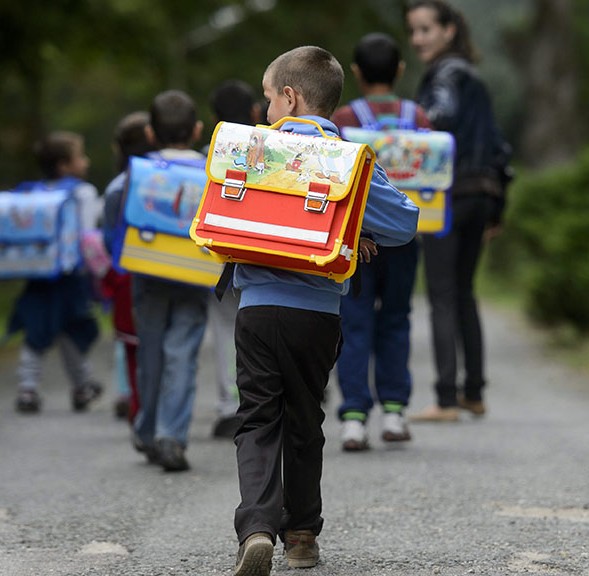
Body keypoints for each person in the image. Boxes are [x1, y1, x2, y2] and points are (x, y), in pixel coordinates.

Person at [231, 46, 419, 576]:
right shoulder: (351, 160)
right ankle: (301, 536)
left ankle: (257, 527)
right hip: (318, 313)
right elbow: (404, 224)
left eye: (269, 99)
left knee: (256, 419)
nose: (266, 111)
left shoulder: (255, 149)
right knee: (304, 420)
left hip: (257, 309)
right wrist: (354, 222)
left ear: (288, 97)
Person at [406, 0, 513, 422]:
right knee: (465, 292)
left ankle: (446, 399)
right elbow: (502, 151)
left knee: (442, 295)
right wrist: (498, 209)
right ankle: (474, 393)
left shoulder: (445, 75)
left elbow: (439, 118)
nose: (417, 40)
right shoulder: (477, 79)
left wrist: (409, 127)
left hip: (448, 196)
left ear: (449, 31)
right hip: (483, 192)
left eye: (425, 30)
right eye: (413, 31)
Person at [330, 32, 432, 452]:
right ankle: (394, 411)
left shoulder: (345, 120)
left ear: (355, 72)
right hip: (405, 240)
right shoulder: (419, 117)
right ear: (401, 70)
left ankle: (354, 417)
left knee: (353, 322)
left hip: (357, 240)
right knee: (396, 318)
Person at [121, 90, 210, 472]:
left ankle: (145, 431)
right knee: (182, 354)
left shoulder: (139, 169)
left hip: (148, 268)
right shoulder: (211, 169)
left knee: (151, 354)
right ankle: (171, 435)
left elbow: (114, 205)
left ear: (150, 133)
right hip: (195, 274)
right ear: (197, 130)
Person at [6, 131, 104, 414]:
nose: (85, 162)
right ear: (64, 165)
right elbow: (86, 235)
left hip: (38, 276)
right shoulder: (82, 193)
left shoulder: (32, 192)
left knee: (36, 330)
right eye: (80, 156)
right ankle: (82, 384)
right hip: (70, 278)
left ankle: (27, 388)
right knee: (73, 331)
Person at [205, 80, 263, 439]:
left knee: (225, 330)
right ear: (257, 112)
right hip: (265, 258)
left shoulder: (209, 153)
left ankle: (231, 407)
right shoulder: (274, 151)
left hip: (221, 262)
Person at [102, 111, 157, 422]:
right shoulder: (171, 179)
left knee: (133, 350)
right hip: (169, 274)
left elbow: (110, 242)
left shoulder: (115, 188)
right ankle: (162, 416)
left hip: (127, 280)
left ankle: (138, 410)